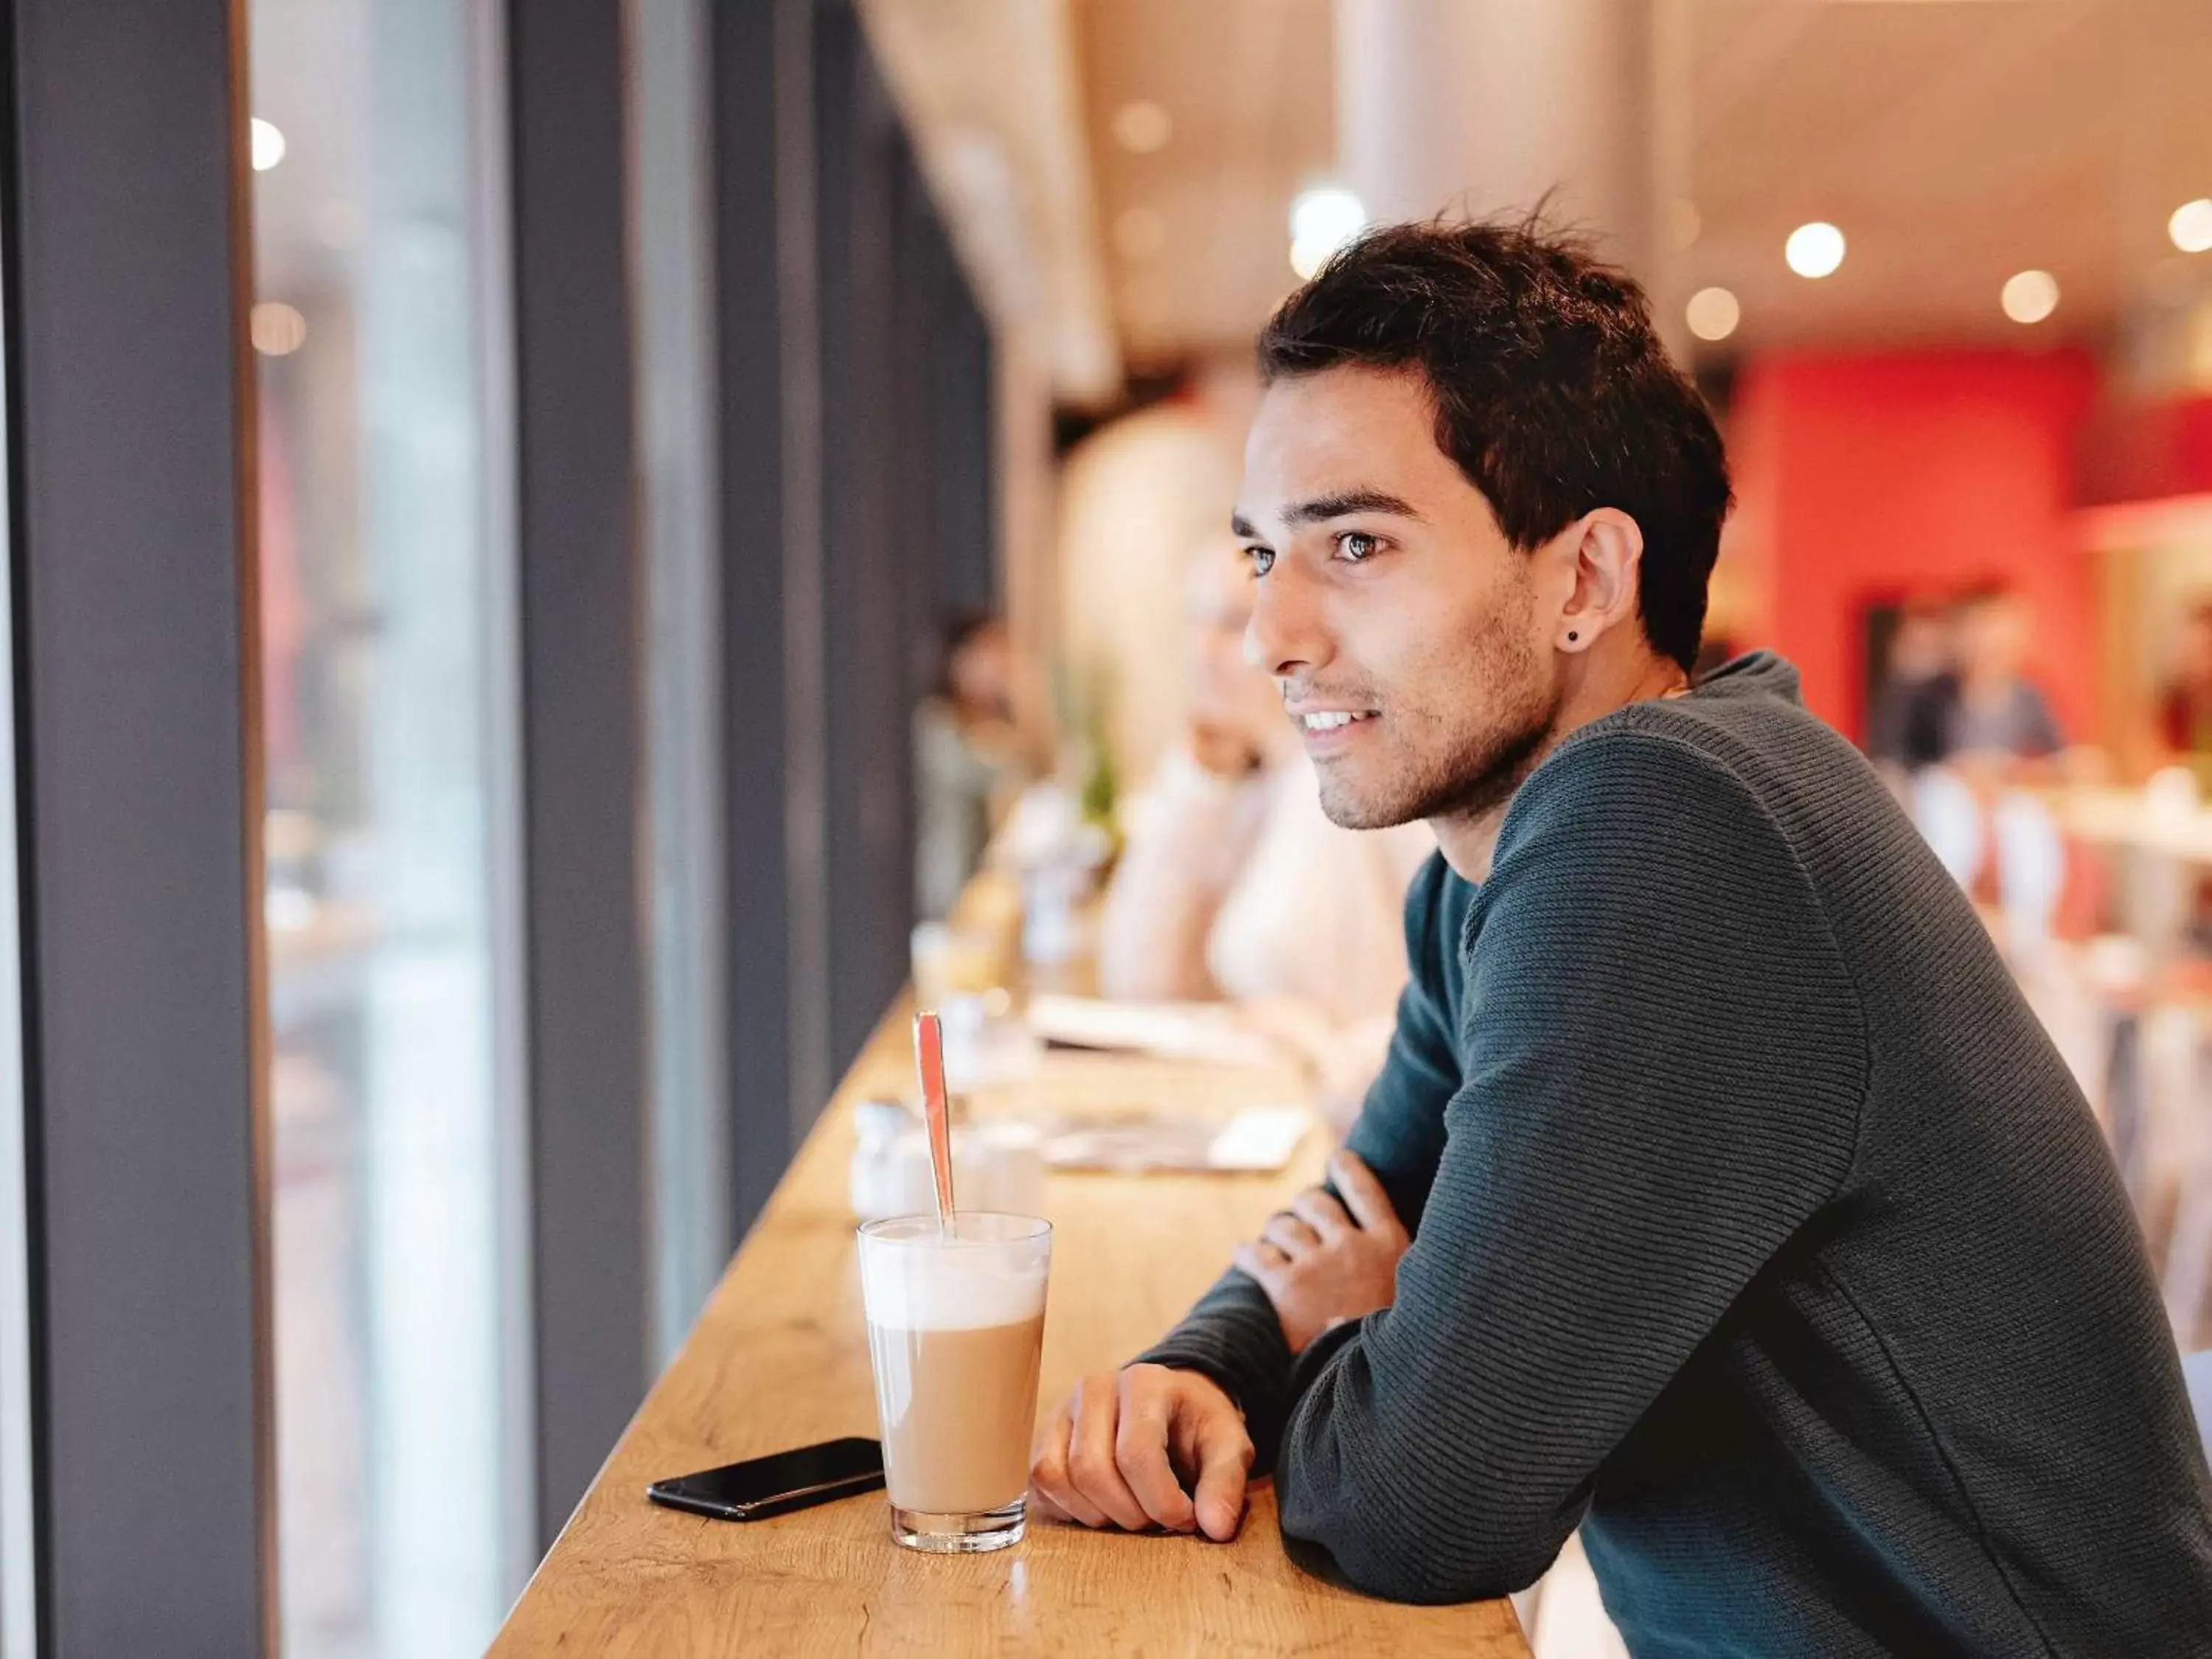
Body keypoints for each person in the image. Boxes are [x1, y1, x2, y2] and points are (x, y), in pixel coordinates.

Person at [1028, 217, 2212, 1653]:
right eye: (1263, 552)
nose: (1276, 630)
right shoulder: (1499, 874)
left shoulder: (1664, 822)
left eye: (1354, 544)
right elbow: (1365, 1204)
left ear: (1583, 579)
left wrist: (1349, 1342)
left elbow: (1423, 1506)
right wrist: (1207, 1365)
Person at [1096, 540, 1432, 1119]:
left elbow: (1458, 1013)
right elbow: (1138, 983)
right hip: (1259, 1127)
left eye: (1230, 624)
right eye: (1193, 621)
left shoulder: (1370, 782)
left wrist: (1316, 1056)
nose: (1201, 651)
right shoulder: (1252, 779)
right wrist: (1196, 781)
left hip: (1349, 1140)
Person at [912, 612, 1025, 920]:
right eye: (988, 654)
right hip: (954, 873)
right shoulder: (938, 722)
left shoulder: (994, 719)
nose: (1000, 665)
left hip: (988, 875)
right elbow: (989, 773)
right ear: (959, 661)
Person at [1904, 584, 2064, 771]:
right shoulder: (1926, 697)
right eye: (1981, 629)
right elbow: (1896, 762)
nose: (1990, 645)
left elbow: (2058, 753)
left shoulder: (2029, 697)